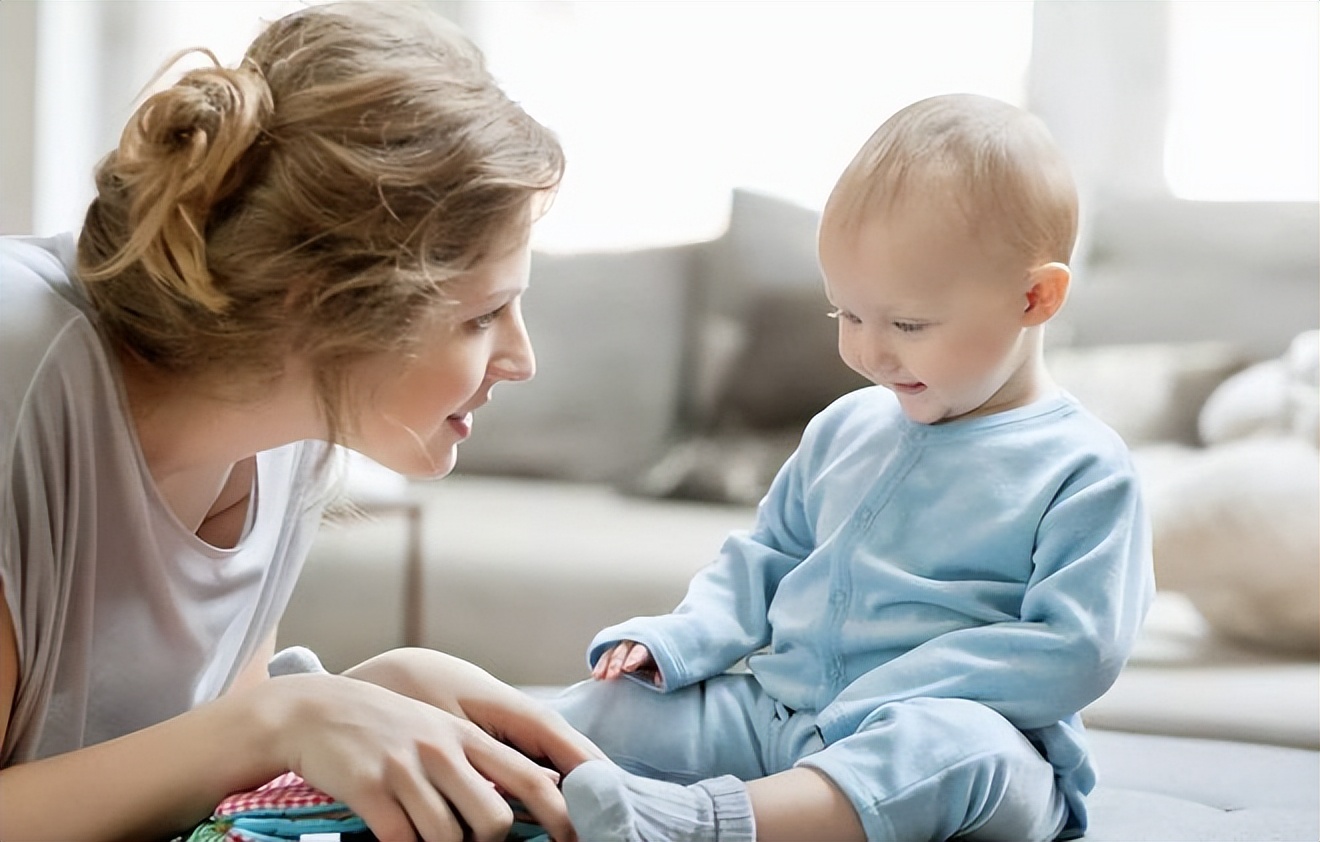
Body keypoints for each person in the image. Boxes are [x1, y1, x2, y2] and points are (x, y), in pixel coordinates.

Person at [0, 3, 604, 841]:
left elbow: (170, 777)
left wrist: (370, 689)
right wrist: (279, 721)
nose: (520, 359)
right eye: (483, 315)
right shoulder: (18, 369)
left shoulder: (282, 420)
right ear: (319, 308)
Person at [550, 93, 1155, 842]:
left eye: (907, 324)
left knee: (949, 750)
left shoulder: (1084, 469)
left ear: (1035, 296)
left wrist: (889, 695)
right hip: (783, 720)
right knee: (609, 708)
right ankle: (477, 767)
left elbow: (1075, 650)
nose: (870, 352)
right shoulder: (845, 426)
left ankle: (703, 825)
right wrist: (684, 638)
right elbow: (767, 557)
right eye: (848, 315)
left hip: (957, 750)